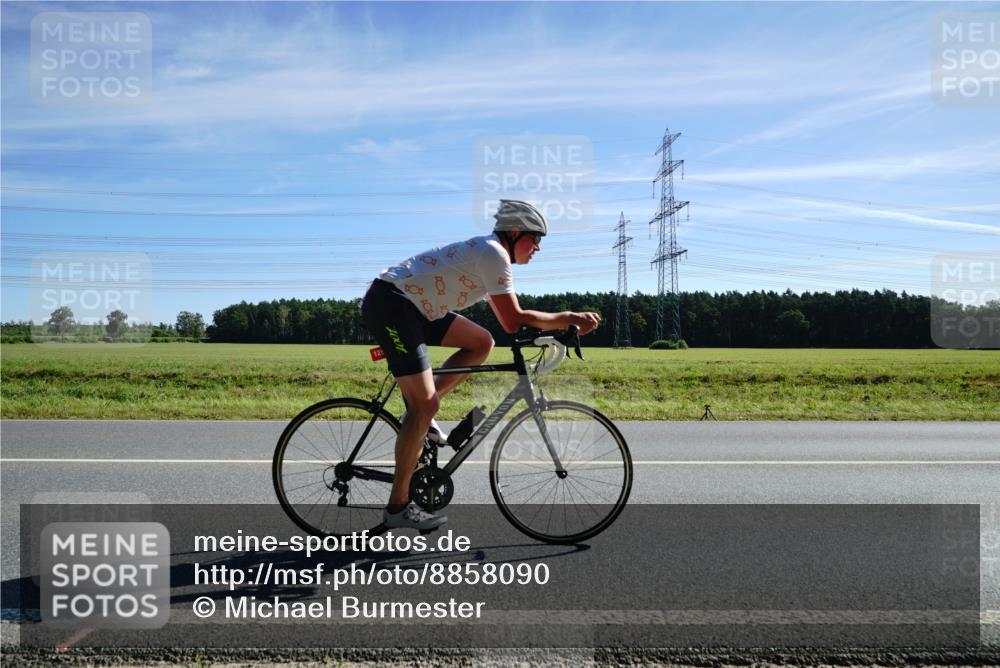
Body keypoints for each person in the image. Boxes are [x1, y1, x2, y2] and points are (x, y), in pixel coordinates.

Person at [360, 200, 601, 530]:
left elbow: (507, 322)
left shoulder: (492, 255)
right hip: (392, 305)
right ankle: (398, 507)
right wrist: (567, 319)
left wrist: (553, 329)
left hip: (415, 309)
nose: (539, 248)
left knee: (481, 343)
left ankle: (418, 413)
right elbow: (513, 320)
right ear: (515, 232)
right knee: (425, 404)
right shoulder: (493, 253)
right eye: (536, 238)